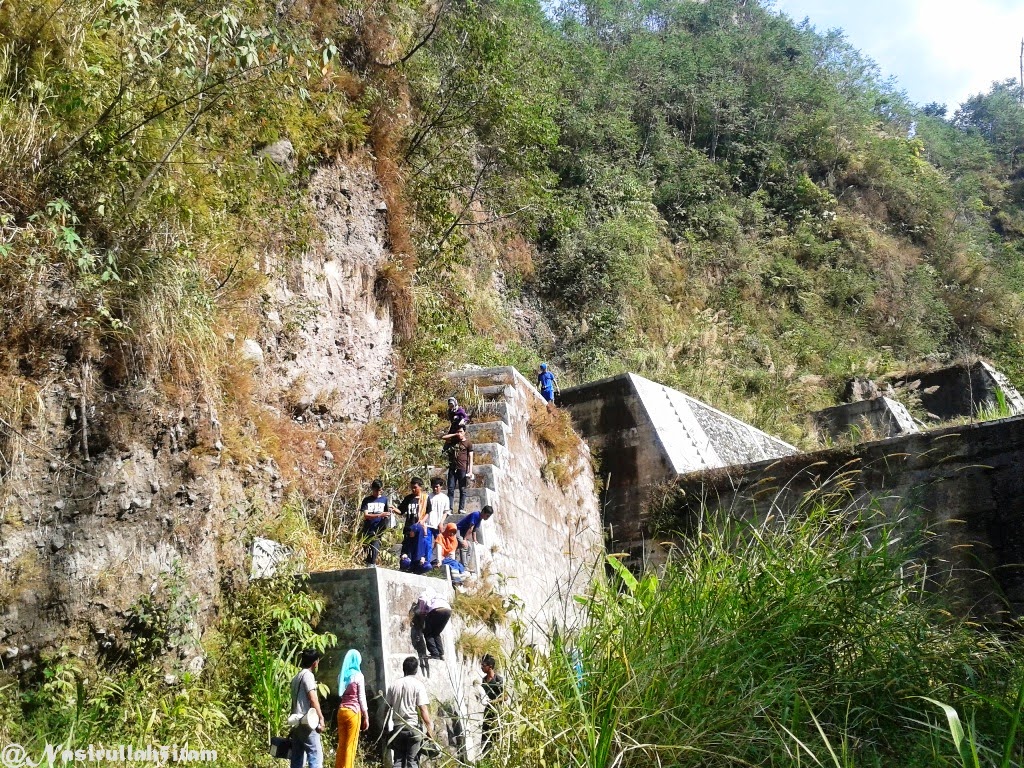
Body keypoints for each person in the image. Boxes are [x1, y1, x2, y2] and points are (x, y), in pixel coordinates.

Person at [385, 656, 433, 768]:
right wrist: (429, 728)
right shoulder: (418, 685)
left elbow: (386, 708)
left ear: (403, 669)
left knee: (398, 760)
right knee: (412, 761)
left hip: (397, 730)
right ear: (416, 670)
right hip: (413, 729)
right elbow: (423, 709)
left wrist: (386, 728)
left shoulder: (393, 685)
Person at [289, 649, 326, 768]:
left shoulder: (296, 677)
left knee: (297, 759)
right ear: (315, 662)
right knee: (315, 756)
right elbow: (313, 699)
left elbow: (294, 702)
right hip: (307, 722)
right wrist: (321, 718)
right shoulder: (308, 676)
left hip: (296, 722)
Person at [335, 650, 369, 768]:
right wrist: (366, 716)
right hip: (353, 712)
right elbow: (361, 697)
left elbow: (340, 693)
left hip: (341, 711)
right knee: (351, 745)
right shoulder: (359, 676)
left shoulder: (341, 676)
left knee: (342, 744)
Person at [439, 426, 473, 514]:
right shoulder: (454, 441)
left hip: (462, 468)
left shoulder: (468, 443)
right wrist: (455, 434)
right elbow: (443, 437)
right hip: (452, 468)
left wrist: (470, 471)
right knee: (450, 488)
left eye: (461, 431)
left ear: (464, 432)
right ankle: (449, 508)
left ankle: (461, 508)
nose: (459, 433)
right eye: (458, 431)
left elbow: (471, 458)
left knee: (462, 489)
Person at [411, 588, 452, 661]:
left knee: (427, 632)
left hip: (437, 610)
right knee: (436, 633)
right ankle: (441, 653)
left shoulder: (423, 595)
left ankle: (434, 653)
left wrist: (422, 614)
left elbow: (423, 603)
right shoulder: (437, 595)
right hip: (448, 611)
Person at [360, 479, 392, 566]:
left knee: (375, 547)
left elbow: (386, 514)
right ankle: (369, 565)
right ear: (372, 489)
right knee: (368, 549)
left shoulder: (384, 499)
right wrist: (379, 515)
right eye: (376, 490)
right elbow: (366, 515)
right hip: (368, 528)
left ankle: (371, 565)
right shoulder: (367, 500)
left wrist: (386, 517)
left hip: (378, 530)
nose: (378, 492)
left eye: (380, 490)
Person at [480, 654, 505, 754]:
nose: (482, 667)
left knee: (495, 734)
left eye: (483, 665)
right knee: (485, 733)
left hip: (496, 711)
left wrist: (493, 701)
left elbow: (505, 696)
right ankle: (485, 755)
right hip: (487, 711)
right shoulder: (483, 680)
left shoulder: (498, 680)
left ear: (490, 666)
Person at [426, 478, 451, 565]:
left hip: (438, 525)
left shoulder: (445, 498)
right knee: (428, 544)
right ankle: (428, 561)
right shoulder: (428, 497)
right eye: (433, 487)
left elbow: (446, 512)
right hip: (428, 524)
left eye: (437, 487)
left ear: (441, 487)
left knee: (440, 543)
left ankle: (439, 560)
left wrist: (441, 522)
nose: (435, 489)